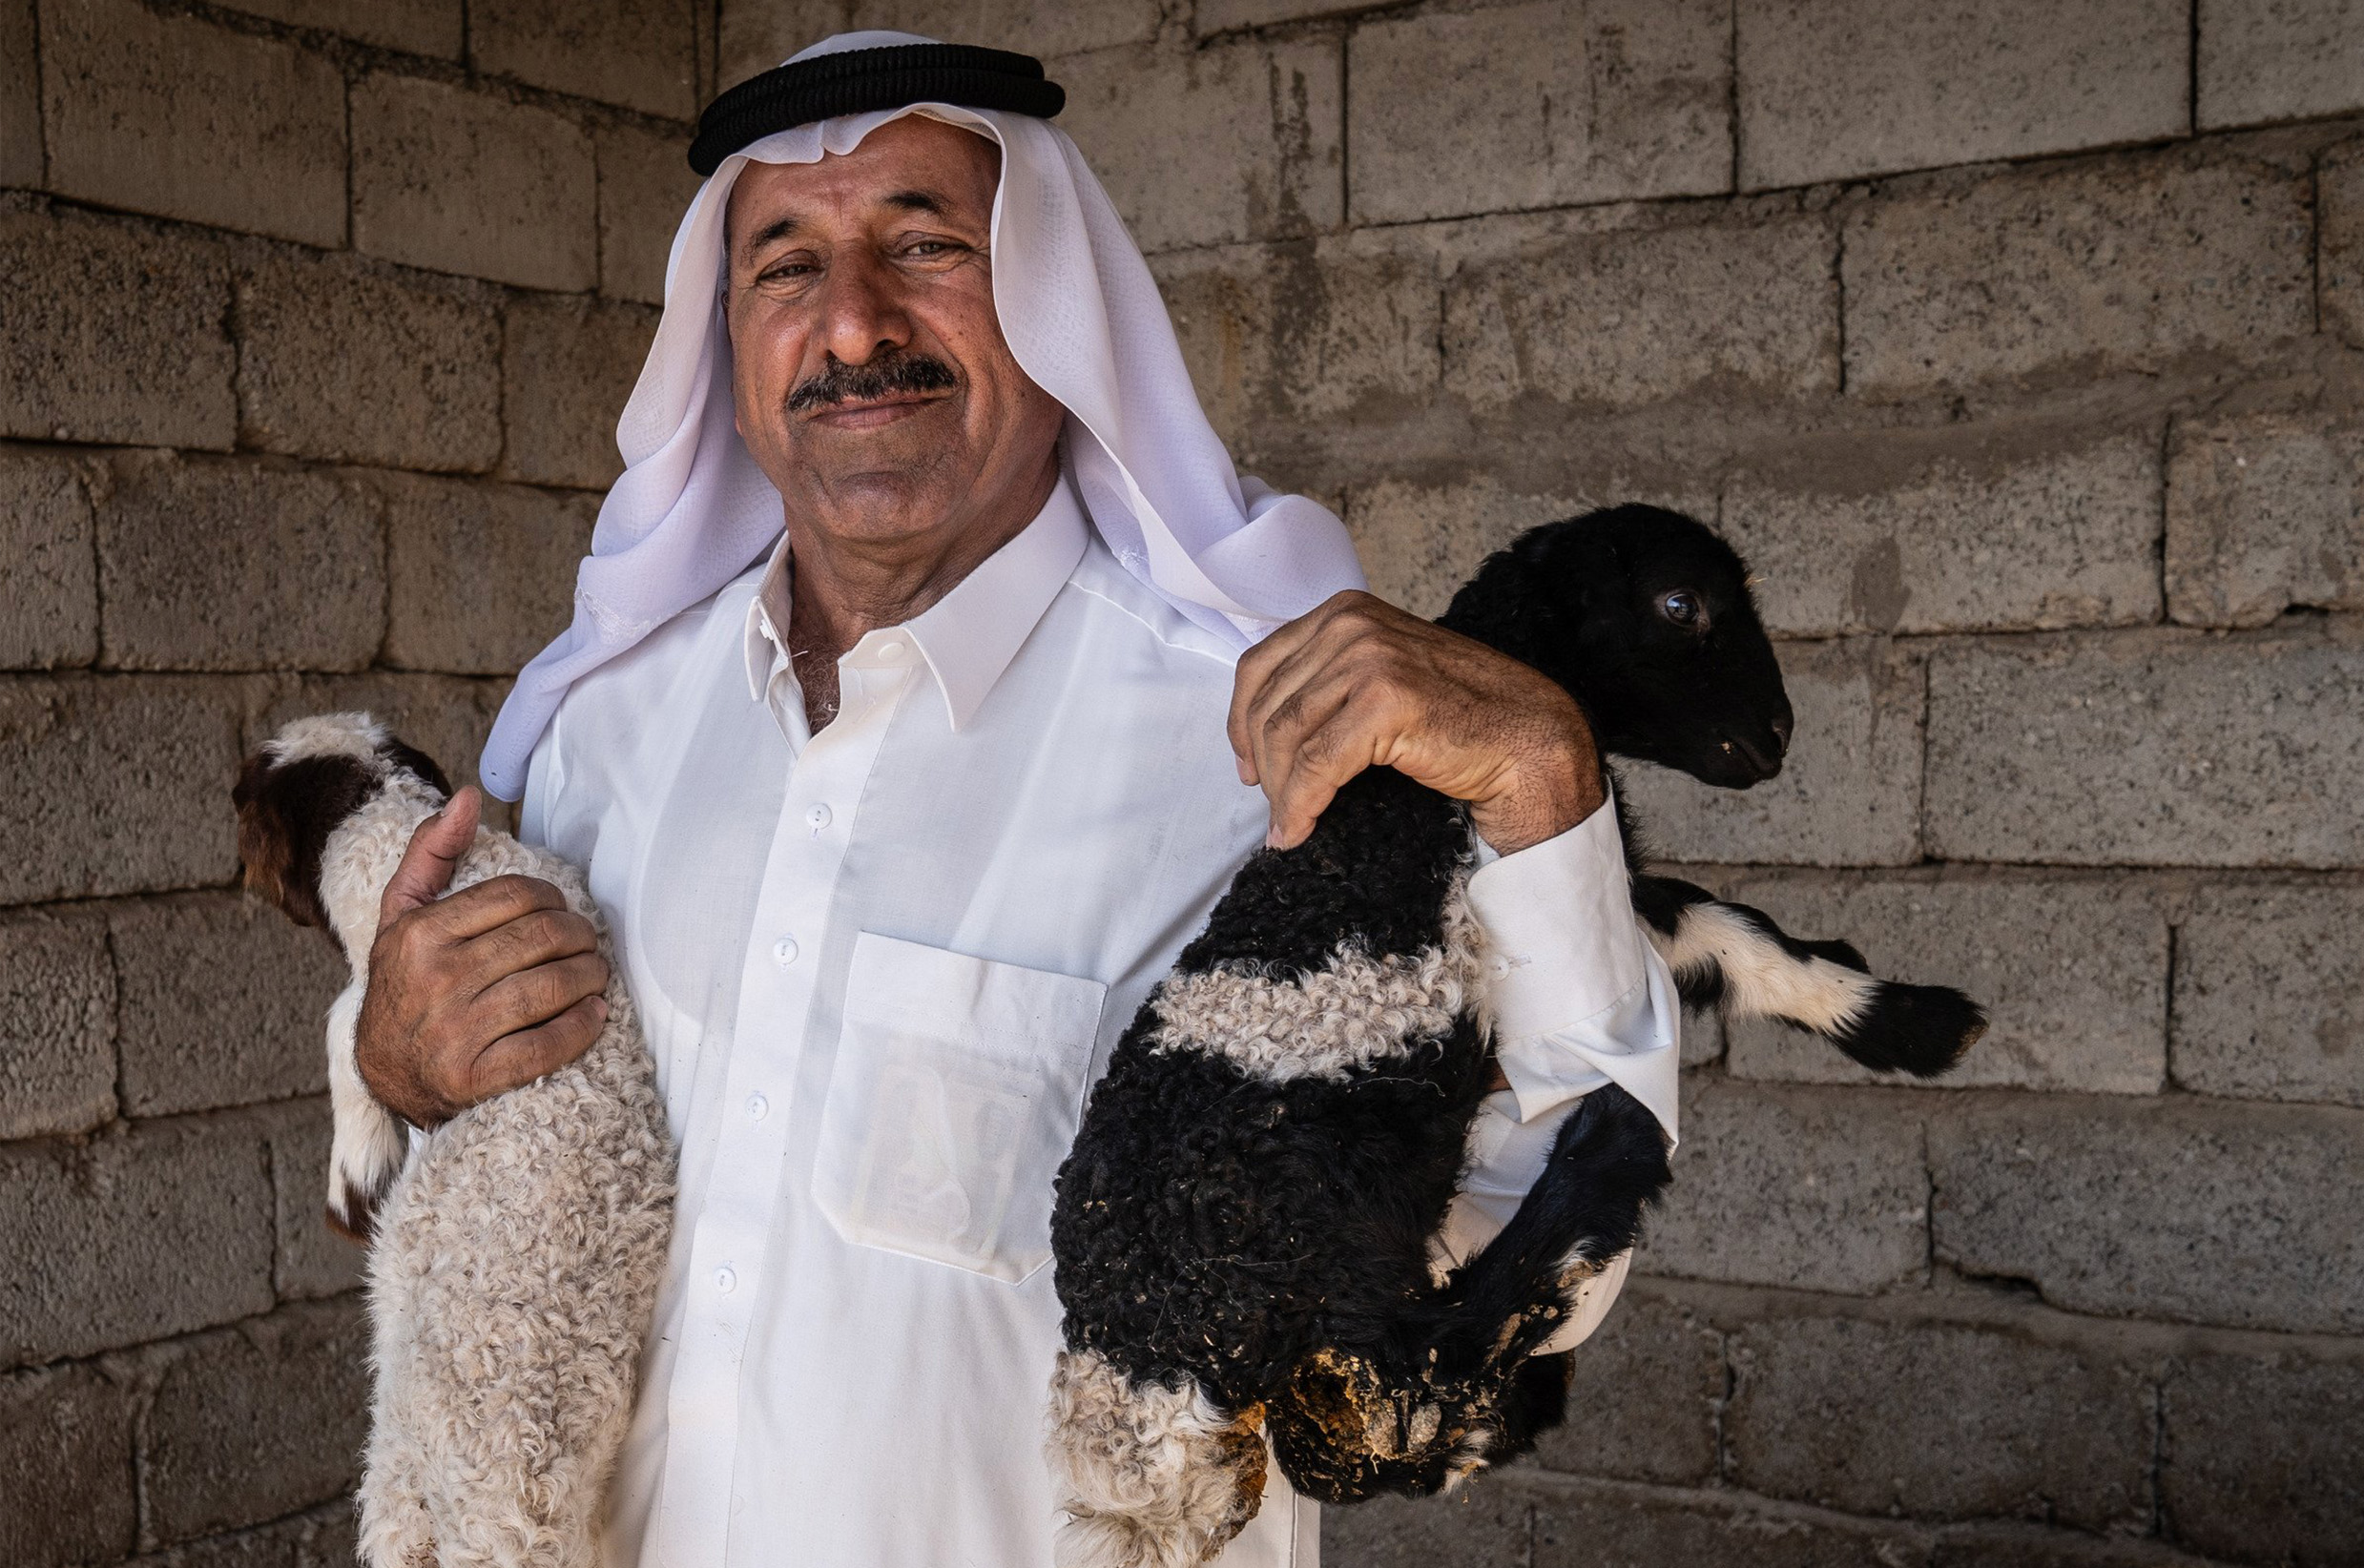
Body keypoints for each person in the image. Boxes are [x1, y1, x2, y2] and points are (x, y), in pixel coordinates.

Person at [348, 31, 1679, 1568]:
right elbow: (471, 1197)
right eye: (786, 265)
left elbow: (1525, 1270)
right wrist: (400, 1071)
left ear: (1058, 305)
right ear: (726, 341)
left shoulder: (1262, 744)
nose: (852, 325)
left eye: (926, 246)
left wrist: (1542, 784)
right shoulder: (606, 732)